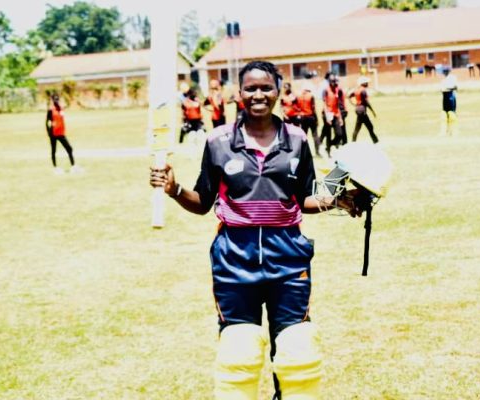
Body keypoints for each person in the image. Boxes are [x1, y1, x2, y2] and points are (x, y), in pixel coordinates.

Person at [149, 60, 362, 400]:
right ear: (239, 93)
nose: (258, 94)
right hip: (234, 260)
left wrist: (340, 199)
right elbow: (203, 202)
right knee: (239, 351)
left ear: (278, 91)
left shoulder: (297, 139)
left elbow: (305, 196)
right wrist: (174, 189)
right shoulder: (218, 141)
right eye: (250, 88)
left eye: (266, 87)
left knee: (296, 350)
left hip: (289, 259)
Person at [45, 93, 77, 174]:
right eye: (54, 99)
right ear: (52, 100)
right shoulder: (51, 110)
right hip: (53, 133)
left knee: (69, 148)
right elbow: (47, 122)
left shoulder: (61, 109)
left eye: (57, 99)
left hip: (61, 133)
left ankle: (73, 166)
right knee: (54, 151)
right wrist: (49, 132)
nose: (56, 100)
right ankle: (55, 167)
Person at [320, 73, 347, 157]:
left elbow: (337, 105)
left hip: (335, 114)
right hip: (327, 114)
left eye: (334, 81)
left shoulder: (336, 90)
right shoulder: (325, 90)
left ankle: (330, 144)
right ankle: (328, 152)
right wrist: (327, 116)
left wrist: (340, 118)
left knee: (339, 134)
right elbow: (324, 104)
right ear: (329, 82)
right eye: (332, 81)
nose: (334, 83)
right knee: (328, 134)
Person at [349, 76, 379, 143]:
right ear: (363, 83)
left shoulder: (357, 90)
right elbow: (366, 102)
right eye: (366, 82)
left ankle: (353, 141)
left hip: (358, 110)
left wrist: (354, 103)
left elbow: (350, 96)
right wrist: (372, 111)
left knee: (360, 127)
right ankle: (376, 141)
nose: (367, 83)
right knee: (368, 127)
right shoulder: (363, 91)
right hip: (362, 111)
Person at [297, 83, 322, 157]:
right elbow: (313, 108)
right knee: (315, 135)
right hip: (310, 116)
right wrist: (317, 119)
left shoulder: (299, 96)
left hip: (303, 117)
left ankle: (302, 152)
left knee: (303, 135)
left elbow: (298, 107)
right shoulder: (311, 96)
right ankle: (317, 152)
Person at [440, 67, 458, 135]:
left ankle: (453, 129)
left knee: (452, 113)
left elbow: (455, 87)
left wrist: (447, 88)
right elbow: (441, 89)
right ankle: (447, 129)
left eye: (446, 72)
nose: (444, 73)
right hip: (445, 96)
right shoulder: (443, 80)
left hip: (451, 96)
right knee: (446, 113)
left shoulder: (452, 78)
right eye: (444, 72)